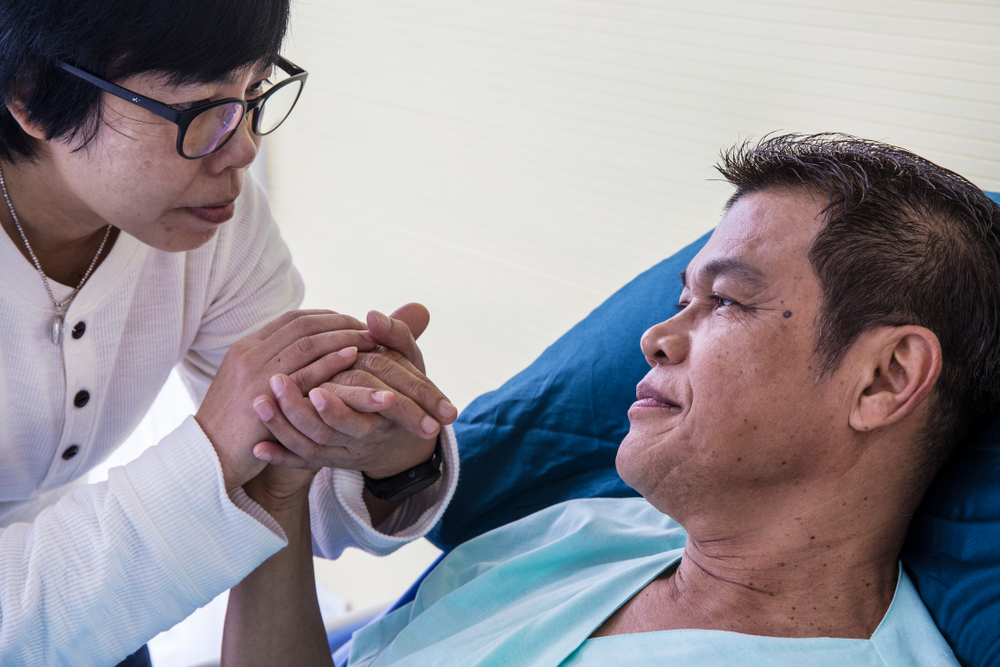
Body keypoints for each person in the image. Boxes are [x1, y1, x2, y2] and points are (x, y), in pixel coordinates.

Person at [223, 134, 1000, 666]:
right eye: (682, 298)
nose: (656, 336)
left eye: (727, 301)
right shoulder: (580, 532)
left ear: (885, 378)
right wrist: (282, 483)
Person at [0, 1, 459, 665]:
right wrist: (213, 452)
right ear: (33, 96)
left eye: (254, 91)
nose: (243, 148)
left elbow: (283, 491)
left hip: (89, 600)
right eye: (196, 109)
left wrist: (384, 451)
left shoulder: (214, 224)